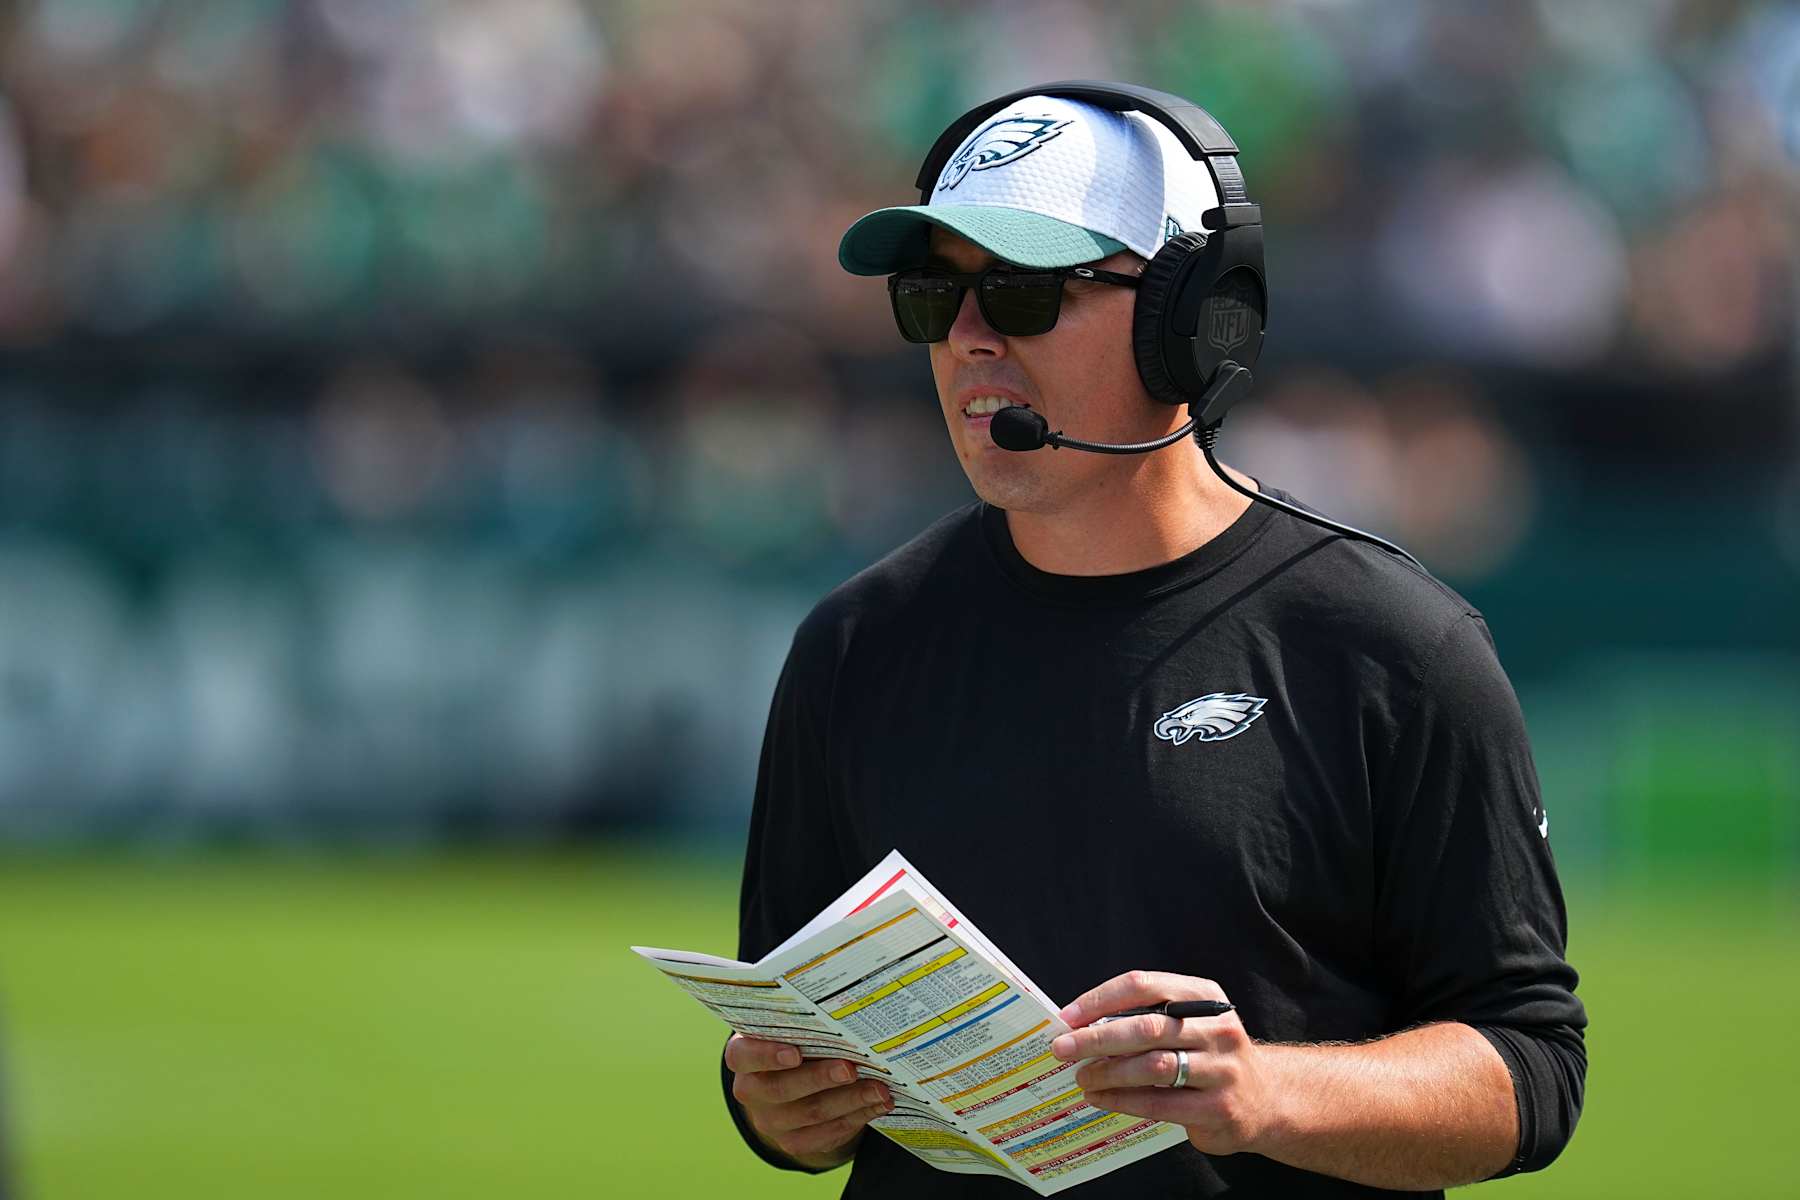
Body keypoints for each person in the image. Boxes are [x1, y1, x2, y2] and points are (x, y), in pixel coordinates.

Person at [719, 83, 1585, 1199]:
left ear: (1195, 316)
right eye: (936, 293)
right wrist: (783, 1111)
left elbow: (1532, 1069)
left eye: (1024, 291)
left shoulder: (1396, 648)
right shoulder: (854, 646)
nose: (970, 339)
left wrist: (1264, 1095)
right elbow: (788, 1070)